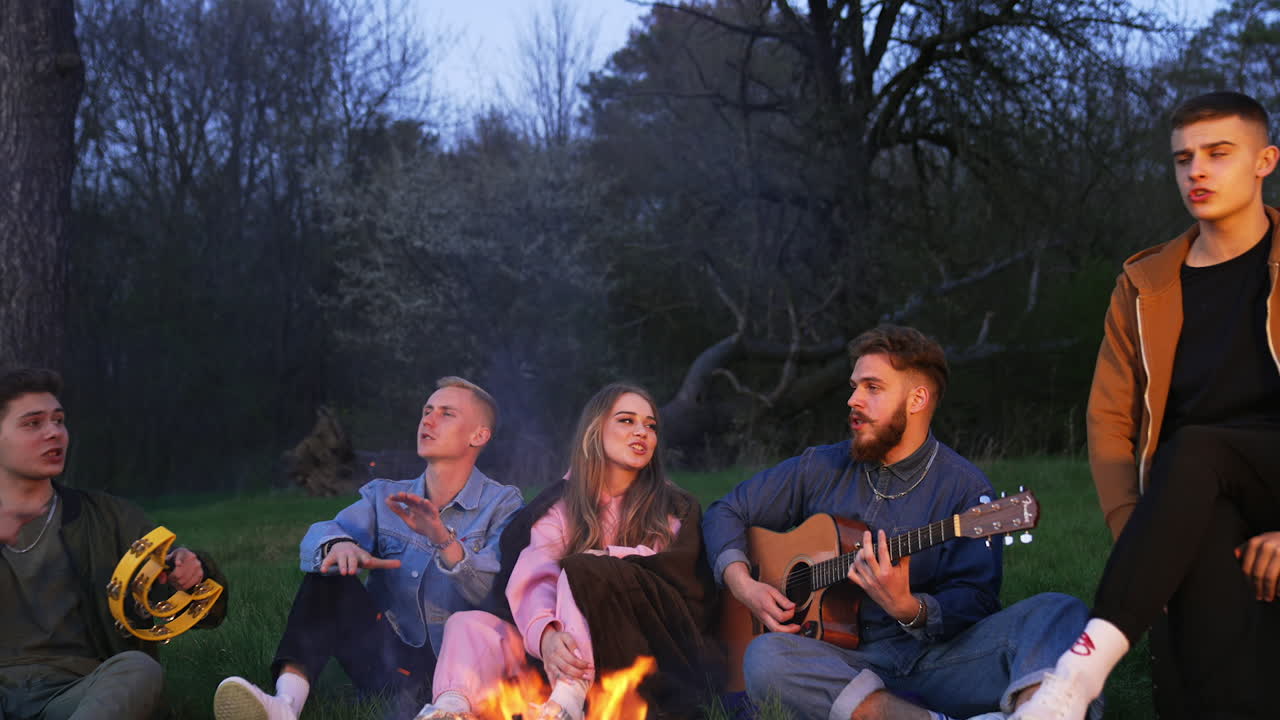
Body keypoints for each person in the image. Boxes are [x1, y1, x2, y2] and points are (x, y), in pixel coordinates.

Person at [1014, 91, 1280, 720]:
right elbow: (1109, 420)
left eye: (1218, 153)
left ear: (1265, 161)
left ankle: (1076, 676)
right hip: (1193, 494)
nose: (1197, 172)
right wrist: (1140, 539)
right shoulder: (1145, 284)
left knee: (1198, 445)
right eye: (1183, 159)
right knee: (1194, 686)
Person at [703, 325, 1099, 720]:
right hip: (838, 661)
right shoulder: (820, 465)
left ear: (917, 399)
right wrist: (744, 585)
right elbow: (727, 510)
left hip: (934, 661)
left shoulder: (966, 489)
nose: (853, 400)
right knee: (766, 657)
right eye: (854, 387)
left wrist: (910, 608)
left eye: (872, 388)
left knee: (1058, 612)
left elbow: (976, 602)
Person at [214, 376, 523, 720]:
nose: (428, 420)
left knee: (473, 625)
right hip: (389, 666)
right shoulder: (383, 495)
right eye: (427, 411)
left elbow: (494, 593)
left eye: (446, 413)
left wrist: (443, 540)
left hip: (464, 672)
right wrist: (341, 545)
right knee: (327, 573)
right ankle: (285, 705)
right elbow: (322, 533)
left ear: (478, 435)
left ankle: (447, 709)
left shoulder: (503, 504)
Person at [412, 383, 720, 720]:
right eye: (626, 420)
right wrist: (547, 634)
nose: (641, 432)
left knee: (582, 570)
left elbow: (672, 577)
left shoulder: (672, 507)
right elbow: (536, 574)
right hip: (561, 653)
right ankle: (451, 707)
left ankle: (566, 704)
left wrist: (606, 560)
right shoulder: (561, 505)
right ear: (594, 431)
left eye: (650, 425)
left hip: (640, 646)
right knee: (469, 624)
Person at [0, 367, 229, 720]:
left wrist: (192, 575)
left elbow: (193, 607)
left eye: (59, 421)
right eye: (33, 423)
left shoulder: (108, 518)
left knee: (138, 669)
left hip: (80, 691)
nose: (54, 433)